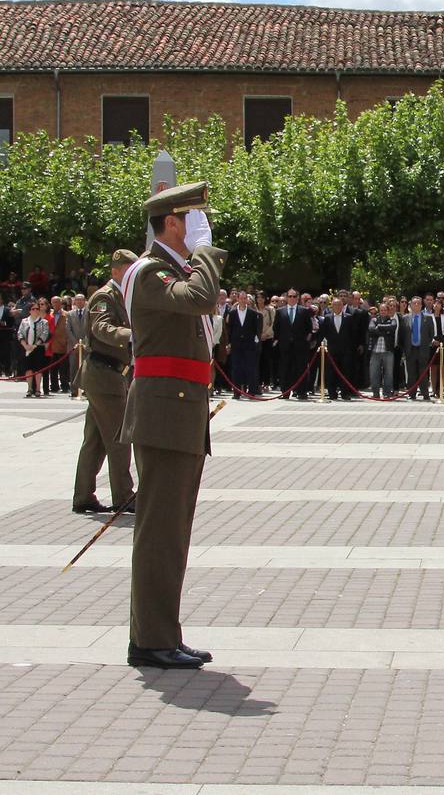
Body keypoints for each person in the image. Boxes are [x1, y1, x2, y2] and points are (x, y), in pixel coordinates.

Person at [119, 180, 226, 670]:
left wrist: (198, 256)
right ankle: (150, 639)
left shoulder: (169, 270)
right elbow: (201, 298)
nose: (199, 228)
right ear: (172, 222)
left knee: (173, 530)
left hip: (179, 411)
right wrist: (206, 254)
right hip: (164, 413)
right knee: (160, 530)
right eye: (193, 219)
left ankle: (163, 633)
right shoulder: (149, 272)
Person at [72, 250, 138, 515]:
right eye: (128, 270)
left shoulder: (124, 297)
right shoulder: (104, 296)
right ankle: (124, 495)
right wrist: (131, 335)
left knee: (96, 440)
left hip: (111, 375)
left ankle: (83, 495)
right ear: (115, 271)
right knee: (120, 438)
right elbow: (101, 328)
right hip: (103, 375)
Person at [274, 289, 314, 400]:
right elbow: (276, 328)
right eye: (290, 296)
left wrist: (305, 341)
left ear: (297, 298)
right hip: (285, 346)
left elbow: (309, 329)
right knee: (284, 369)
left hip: (300, 346)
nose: (291, 298)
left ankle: (301, 392)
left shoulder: (304, 311)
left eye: (294, 296)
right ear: (286, 297)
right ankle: (285, 392)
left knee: (300, 369)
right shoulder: (280, 311)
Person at [226, 290, 261, 398]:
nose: (242, 300)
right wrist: (229, 343)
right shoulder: (232, 313)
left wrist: (255, 341)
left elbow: (256, 329)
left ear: (247, 300)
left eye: (244, 298)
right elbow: (229, 329)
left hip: (249, 344)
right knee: (236, 368)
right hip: (236, 345)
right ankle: (236, 392)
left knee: (250, 367)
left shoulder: (253, 313)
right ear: (237, 299)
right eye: (240, 298)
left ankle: (251, 391)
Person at [319, 297, 354, 401]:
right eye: (335, 305)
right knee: (331, 373)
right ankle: (332, 393)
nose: (337, 307)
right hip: (332, 350)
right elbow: (323, 333)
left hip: (345, 350)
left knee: (345, 372)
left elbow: (353, 334)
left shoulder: (349, 317)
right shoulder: (327, 318)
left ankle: (345, 393)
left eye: (339, 305)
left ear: (342, 306)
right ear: (332, 306)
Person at [400, 296, 435, 400]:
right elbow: (402, 335)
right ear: (410, 305)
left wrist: (425, 345)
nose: (416, 305)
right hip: (410, 350)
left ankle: (425, 393)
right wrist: (404, 349)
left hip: (422, 349)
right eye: (414, 303)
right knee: (411, 373)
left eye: (418, 303)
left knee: (423, 373)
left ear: (421, 305)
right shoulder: (405, 318)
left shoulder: (427, 318)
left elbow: (431, 334)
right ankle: (412, 394)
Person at [17, 300, 49, 398]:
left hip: (38, 348)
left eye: (37, 309)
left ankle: (38, 389)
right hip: (26, 348)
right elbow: (20, 333)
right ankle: (30, 388)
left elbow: (45, 334)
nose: (35, 310)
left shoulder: (44, 322)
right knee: (28, 369)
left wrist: (35, 345)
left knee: (38, 369)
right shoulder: (24, 321)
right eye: (33, 309)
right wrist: (25, 345)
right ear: (29, 311)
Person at [367, 301, 397, 398]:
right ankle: (375, 393)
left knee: (388, 374)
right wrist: (385, 331)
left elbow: (392, 328)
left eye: (385, 310)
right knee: (374, 373)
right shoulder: (374, 320)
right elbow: (371, 329)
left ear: (388, 311)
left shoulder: (392, 320)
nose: (383, 312)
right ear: (379, 311)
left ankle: (387, 393)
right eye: (381, 310)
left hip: (388, 352)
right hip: (375, 351)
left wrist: (379, 327)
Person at [65, 293, 88, 397]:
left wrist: (84, 342)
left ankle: (86, 390)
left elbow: (90, 329)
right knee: (73, 368)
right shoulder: (70, 314)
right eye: (77, 300)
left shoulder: (89, 313)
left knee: (86, 368)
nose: (79, 302)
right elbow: (68, 329)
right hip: (73, 347)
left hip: (86, 345)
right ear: (74, 302)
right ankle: (74, 390)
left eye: (81, 300)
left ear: (85, 301)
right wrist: (76, 342)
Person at [256, 292, 276, 390]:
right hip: (256, 338)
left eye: (261, 297)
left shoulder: (270, 310)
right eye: (258, 297)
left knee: (266, 360)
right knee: (258, 360)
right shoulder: (254, 309)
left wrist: (266, 334)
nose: (260, 299)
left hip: (267, 338)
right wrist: (258, 335)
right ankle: (258, 382)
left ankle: (267, 382)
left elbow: (273, 323)